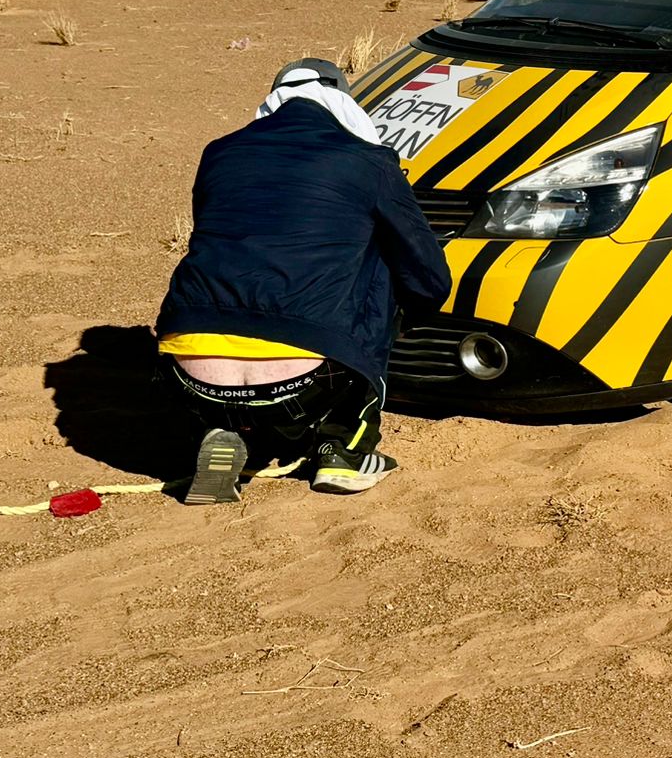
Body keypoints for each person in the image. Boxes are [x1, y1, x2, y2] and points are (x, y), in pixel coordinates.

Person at [155, 59, 450, 503]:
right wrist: (414, 316)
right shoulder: (367, 161)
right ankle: (344, 449)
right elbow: (427, 274)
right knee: (383, 263)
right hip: (309, 376)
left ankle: (221, 428)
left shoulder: (219, 152)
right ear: (341, 103)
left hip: (188, 376)